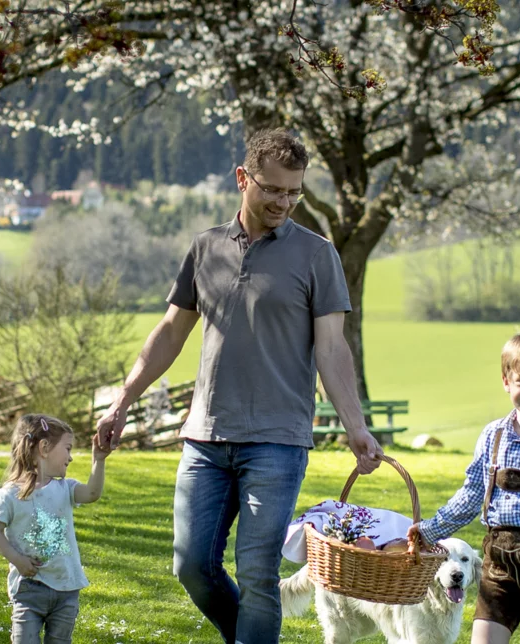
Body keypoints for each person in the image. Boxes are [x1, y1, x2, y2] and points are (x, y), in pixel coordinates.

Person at [94, 128, 384, 644]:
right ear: (243, 179)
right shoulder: (205, 247)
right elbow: (169, 332)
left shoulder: (317, 255)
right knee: (190, 566)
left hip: (277, 440)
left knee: (257, 576)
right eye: (273, 190)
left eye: (294, 192)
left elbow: (333, 349)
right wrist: (123, 400)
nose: (284, 202)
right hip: (205, 436)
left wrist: (355, 427)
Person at [412, 328, 520, 643]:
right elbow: (470, 496)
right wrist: (428, 531)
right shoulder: (493, 437)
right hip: (498, 567)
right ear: (507, 381)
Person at [0, 414, 112, 644]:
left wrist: (99, 460)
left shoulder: (65, 488)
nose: (71, 457)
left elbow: (92, 493)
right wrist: (17, 559)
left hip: (66, 588)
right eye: (67, 448)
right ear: (44, 448)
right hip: (29, 588)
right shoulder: (9, 494)